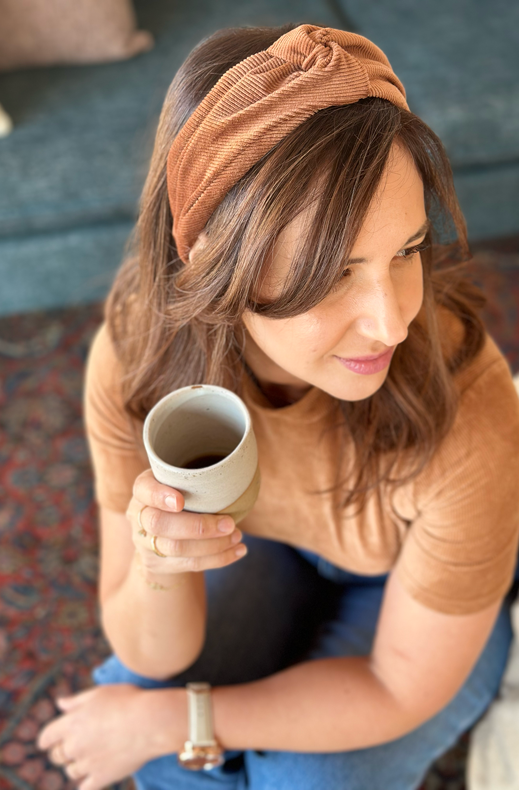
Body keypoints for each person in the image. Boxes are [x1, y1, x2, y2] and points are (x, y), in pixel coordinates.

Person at [35, 23, 519, 790]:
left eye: (406, 251)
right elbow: (150, 649)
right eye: (331, 274)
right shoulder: (139, 355)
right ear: (212, 259)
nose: (391, 321)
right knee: (136, 687)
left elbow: (398, 684)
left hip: (417, 609)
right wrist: (159, 563)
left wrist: (179, 722)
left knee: (293, 777)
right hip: (264, 550)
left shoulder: (469, 410)